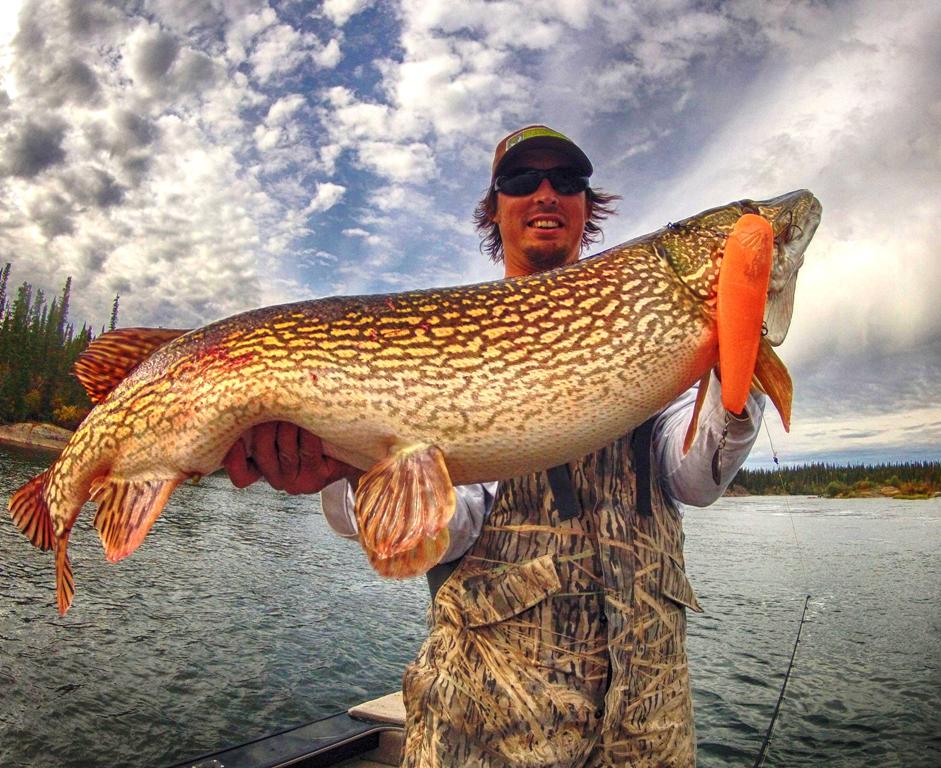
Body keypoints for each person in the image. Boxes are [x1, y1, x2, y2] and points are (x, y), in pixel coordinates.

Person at [223, 124, 764, 767]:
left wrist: (743, 358)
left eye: (566, 182)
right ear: (494, 207)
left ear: (587, 208)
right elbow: (449, 531)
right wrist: (347, 466)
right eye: (520, 181)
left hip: (650, 727)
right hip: (488, 734)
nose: (545, 194)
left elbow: (697, 478)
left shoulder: (658, 343)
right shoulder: (452, 344)